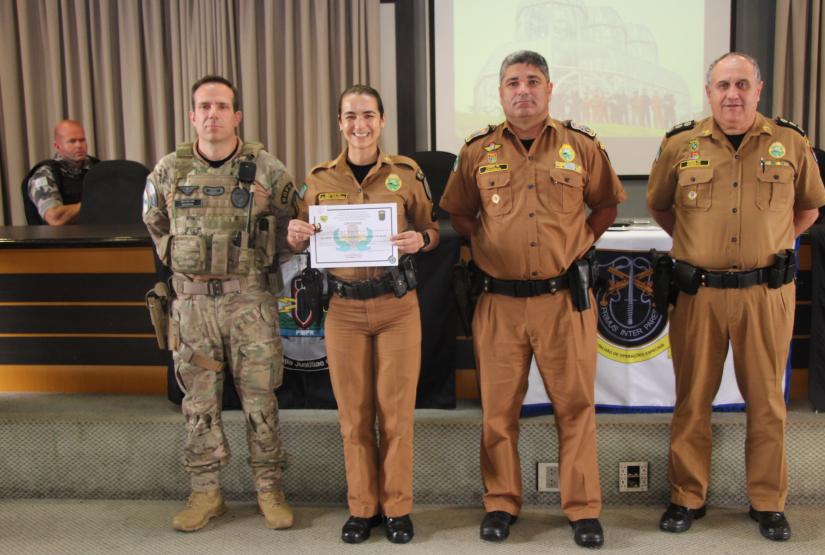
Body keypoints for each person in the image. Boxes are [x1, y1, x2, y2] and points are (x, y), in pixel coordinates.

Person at [439, 50, 626, 549]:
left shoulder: (580, 146)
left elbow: (606, 204)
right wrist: (488, 243)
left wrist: (578, 243)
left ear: (549, 89)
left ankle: (583, 509)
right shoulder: (476, 151)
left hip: (563, 301)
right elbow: (460, 214)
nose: (523, 90)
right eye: (513, 82)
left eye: (533, 81)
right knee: (498, 412)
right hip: (498, 302)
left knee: (576, 407)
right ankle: (501, 503)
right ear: (501, 92)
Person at [646, 52, 825, 542]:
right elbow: (661, 207)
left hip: (764, 294)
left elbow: (809, 209)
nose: (732, 94)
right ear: (709, 92)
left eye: (742, 84)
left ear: (758, 89)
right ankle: (687, 496)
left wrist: (773, 242)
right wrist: (696, 247)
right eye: (723, 85)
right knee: (692, 400)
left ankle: (767, 501)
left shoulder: (790, 142)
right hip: (698, 295)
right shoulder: (680, 144)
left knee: (766, 402)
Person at [287, 84, 439, 545]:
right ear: (339, 123)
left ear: (382, 120)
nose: (360, 125)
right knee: (354, 417)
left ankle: (397, 508)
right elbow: (299, 235)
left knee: (396, 416)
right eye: (351, 116)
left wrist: (421, 240)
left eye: (368, 115)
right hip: (344, 310)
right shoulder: (318, 180)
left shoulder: (406, 174)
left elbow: (432, 229)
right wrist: (295, 235)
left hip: (396, 308)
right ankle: (362, 508)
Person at [143, 75, 296, 532]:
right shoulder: (168, 170)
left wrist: (262, 262)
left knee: (260, 397)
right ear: (193, 116)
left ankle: (269, 489)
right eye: (205, 107)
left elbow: (292, 225)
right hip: (192, 308)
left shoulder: (267, 168)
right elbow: (154, 221)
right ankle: (205, 492)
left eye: (222, 106)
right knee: (198, 402)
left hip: (249, 302)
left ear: (237, 116)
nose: (213, 114)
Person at [25, 119, 99, 225]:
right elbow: (55, 218)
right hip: (62, 235)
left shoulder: (98, 168)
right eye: (72, 141)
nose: (79, 145)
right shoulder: (45, 174)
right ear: (57, 146)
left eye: (82, 140)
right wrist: (95, 204)